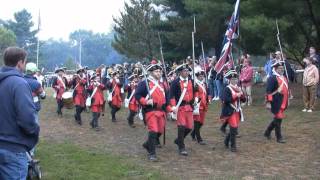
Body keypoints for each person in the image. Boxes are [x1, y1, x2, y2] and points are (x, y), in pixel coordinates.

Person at [0, 47, 40, 179]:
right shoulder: (19, 83)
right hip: (13, 148)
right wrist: (34, 133)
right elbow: (27, 119)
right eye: (24, 62)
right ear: (20, 63)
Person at [135, 63, 171, 161]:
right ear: (151, 72)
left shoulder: (163, 84)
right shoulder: (144, 83)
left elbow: (167, 99)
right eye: (156, 71)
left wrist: (170, 109)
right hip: (150, 111)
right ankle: (152, 153)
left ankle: (147, 144)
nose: (159, 73)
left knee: (159, 131)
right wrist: (146, 101)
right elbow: (137, 95)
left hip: (161, 111)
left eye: (160, 71)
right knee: (153, 131)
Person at [170, 64, 194, 156]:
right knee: (181, 126)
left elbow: (194, 92)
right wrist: (173, 106)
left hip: (189, 107)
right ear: (180, 72)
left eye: (187, 71)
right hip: (180, 107)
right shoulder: (175, 82)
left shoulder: (191, 81)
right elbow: (171, 95)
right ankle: (181, 147)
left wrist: (195, 99)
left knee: (189, 127)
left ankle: (178, 140)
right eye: (184, 71)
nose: (187, 72)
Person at [220, 69, 246, 152]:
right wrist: (236, 95)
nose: (235, 80)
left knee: (233, 128)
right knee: (234, 128)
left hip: (237, 110)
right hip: (230, 110)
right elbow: (226, 100)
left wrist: (241, 94)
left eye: (236, 79)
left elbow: (244, 100)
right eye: (233, 79)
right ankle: (233, 146)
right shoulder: (227, 88)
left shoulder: (238, 88)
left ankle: (226, 141)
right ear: (230, 80)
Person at [264, 60, 288, 143]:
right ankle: (279, 137)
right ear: (275, 69)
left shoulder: (284, 77)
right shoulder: (272, 78)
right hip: (276, 101)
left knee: (277, 119)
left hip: (283, 101)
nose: (282, 69)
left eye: (282, 68)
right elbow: (268, 91)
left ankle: (267, 132)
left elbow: (286, 88)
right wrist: (268, 102)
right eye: (280, 68)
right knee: (279, 118)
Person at [191, 67, 211, 145]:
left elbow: (207, 93)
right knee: (197, 122)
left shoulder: (204, 84)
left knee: (201, 122)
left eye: (202, 76)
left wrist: (208, 98)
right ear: (197, 76)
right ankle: (199, 138)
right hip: (197, 105)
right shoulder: (194, 84)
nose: (201, 77)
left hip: (204, 104)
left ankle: (193, 133)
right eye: (200, 76)